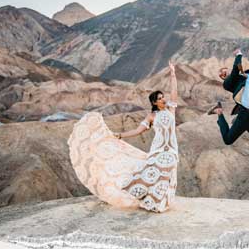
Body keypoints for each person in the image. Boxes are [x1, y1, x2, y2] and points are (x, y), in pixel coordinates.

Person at [67, 61, 178, 212]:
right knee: (157, 174)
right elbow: (138, 131)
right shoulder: (152, 116)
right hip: (158, 149)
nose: (163, 99)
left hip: (172, 149)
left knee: (169, 173)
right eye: (160, 98)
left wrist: (173, 74)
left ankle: (162, 202)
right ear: (154, 102)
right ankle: (152, 202)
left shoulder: (171, 109)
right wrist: (119, 135)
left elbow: (174, 92)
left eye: (163, 97)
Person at [207, 48, 249, 150]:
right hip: (245, 115)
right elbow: (236, 70)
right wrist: (238, 55)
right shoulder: (229, 84)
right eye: (221, 75)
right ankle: (219, 111)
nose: (223, 73)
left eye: (224, 71)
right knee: (228, 140)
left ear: (229, 70)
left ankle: (248, 127)